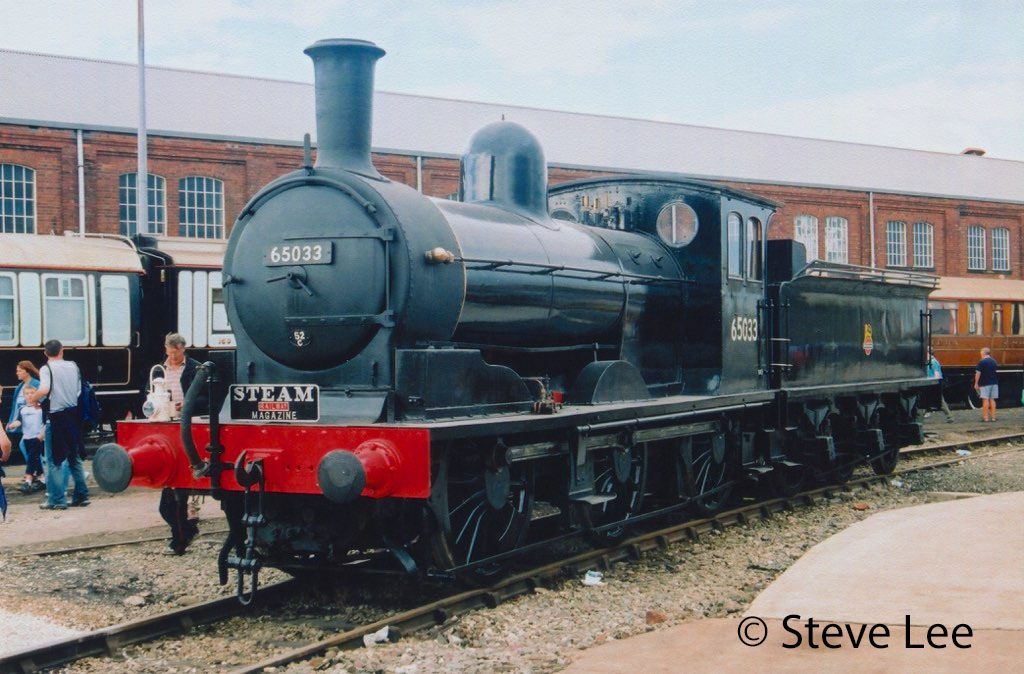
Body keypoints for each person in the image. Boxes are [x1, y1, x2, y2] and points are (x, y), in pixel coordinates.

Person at [156, 333, 204, 554]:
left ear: (183, 349)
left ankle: (180, 539)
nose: (174, 354)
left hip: (187, 426)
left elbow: (208, 397)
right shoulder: (159, 370)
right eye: (171, 350)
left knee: (177, 491)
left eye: (178, 351)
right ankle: (186, 531)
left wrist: (188, 404)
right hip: (166, 425)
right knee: (171, 496)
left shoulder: (196, 368)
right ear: (166, 348)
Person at [30, 339, 90, 509]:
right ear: (62, 350)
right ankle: (82, 495)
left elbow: (44, 389)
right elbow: (78, 390)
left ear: (45, 353)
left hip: (56, 417)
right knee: (74, 457)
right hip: (73, 415)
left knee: (54, 460)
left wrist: (33, 400)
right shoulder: (73, 366)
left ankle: (57, 500)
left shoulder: (46, 368)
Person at [5, 361, 43, 492]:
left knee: (26, 447)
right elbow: (16, 407)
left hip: (35, 423)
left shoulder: (36, 384)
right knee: (27, 447)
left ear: (26, 371)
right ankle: (38, 474)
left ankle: (33, 475)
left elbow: (42, 401)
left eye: (19, 370)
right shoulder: (19, 387)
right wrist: (12, 421)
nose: (17, 373)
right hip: (23, 422)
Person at [9, 386, 46, 493]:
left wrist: (41, 435)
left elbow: (45, 422)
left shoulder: (41, 408)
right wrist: (13, 425)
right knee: (35, 459)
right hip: (27, 437)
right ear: (24, 396)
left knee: (31, 458)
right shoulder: (22, 409)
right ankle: (42, 479)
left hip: (38, 437)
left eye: (32, 393)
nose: (29, 395)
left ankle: (28, 481)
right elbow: (19, 421)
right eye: (27, 393)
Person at [926, 348, 954, 423]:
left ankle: (950, 416)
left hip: (934, 383)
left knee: (940, 401)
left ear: (928, 353)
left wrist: (934, 383)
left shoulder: (933, 362)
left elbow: (937, 374)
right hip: (931, 383)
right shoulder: (929, 362)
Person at [973, 347, 999, 422]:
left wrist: (976, 383)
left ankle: (985, 417)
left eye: (981, 352)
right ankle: (993, 417)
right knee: (992, 400)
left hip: (985, 383)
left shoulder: (982, 362)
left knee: (985, 400)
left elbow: (978, 373)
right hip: (994, 383)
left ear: (983, 353)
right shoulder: (994, 361)